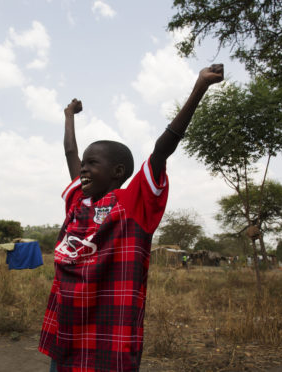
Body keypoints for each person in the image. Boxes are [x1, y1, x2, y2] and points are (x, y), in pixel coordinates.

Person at [39, 64, 224, 371]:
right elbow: (70, 151)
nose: (83, 169)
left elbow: (162, 150)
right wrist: (68, 115)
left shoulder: (133, 203)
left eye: (92, 163)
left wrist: (199, 88)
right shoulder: (77, 202)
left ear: (119, 172)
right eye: (83, 165)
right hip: (67, 331)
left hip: (108, 334)